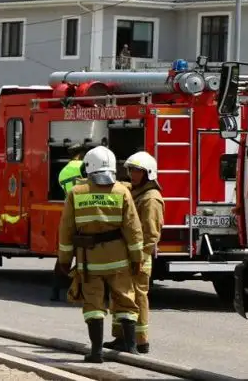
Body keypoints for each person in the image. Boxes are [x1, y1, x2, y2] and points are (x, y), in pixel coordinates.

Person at [57, 146, 144, 361]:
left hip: (90, 261)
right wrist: (137, 259)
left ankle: (96, 352)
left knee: (94, 306)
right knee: (125, 300)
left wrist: (64, 261)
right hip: (119, 259)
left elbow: (66, 230)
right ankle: (131, 349)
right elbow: (133, 229)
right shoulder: (122, 191)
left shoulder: (76, 193)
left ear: (88, 167)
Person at [104, 151, 164, 354]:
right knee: (122, 297)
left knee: (137, 298)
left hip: (139, 257)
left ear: (148, 173)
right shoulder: (136, 191)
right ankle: (121, 337)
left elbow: (150, 234)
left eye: (137, 171)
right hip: (127, 255)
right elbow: (122, 186)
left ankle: (140, 340)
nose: (132, 175)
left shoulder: (150, 199)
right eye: (131, 170)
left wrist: (138, 257)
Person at [51, 142, 89, 301]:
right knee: (85, 254)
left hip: (69, 213)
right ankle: (83, 289)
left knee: (64, 255)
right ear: (81, 154)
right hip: (85, 211)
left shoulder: (62, 172)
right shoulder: (83, 166)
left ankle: (55, 290)